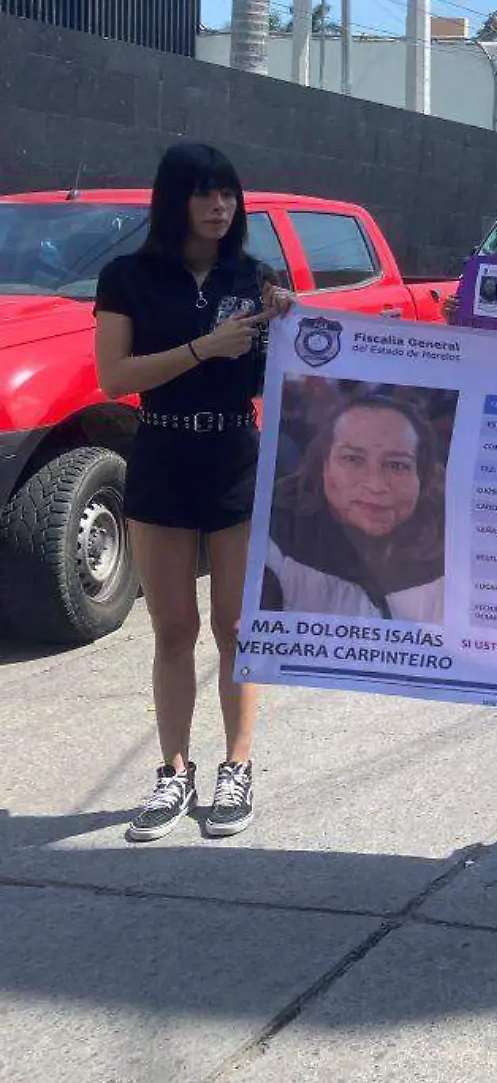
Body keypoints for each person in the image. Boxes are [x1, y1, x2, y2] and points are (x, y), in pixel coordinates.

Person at [93, 142, 292, 842]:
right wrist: (204, 347)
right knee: (172, 628)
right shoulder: (128, 277)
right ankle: (174, 769)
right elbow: (115, 376)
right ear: (173, 198)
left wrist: (292, 324)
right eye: (205, 193)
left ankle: (237, 766)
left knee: (236, 627)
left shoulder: (256, 276)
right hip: (163, 454)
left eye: (229, 195)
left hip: (236, 454)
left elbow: (288, 370)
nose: (219, 207)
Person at [261, 394, 448, 624]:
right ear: (323, 466)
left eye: (397, 465)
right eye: (353, 459)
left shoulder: (457, 542)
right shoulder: (277, 532)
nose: (376, 485)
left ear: (423, 475)